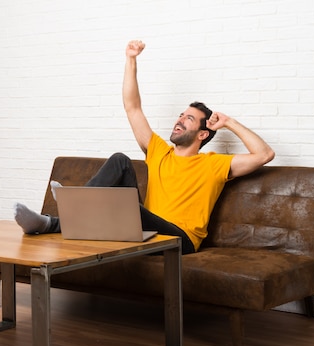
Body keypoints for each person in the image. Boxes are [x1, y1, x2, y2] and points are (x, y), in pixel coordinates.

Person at [14, 40, 275, 254]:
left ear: (203, 133)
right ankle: (75, 205)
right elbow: (132, 107)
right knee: (119, 160)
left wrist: (229, 122)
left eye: (189, 118)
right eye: (180, 115)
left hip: (180, 239)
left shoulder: (214, 163)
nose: (179, 120)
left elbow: (264, 154)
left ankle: (56, 219)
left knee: (130, 211)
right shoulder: (159, 151)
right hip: (146, 230)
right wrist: (130, 60)